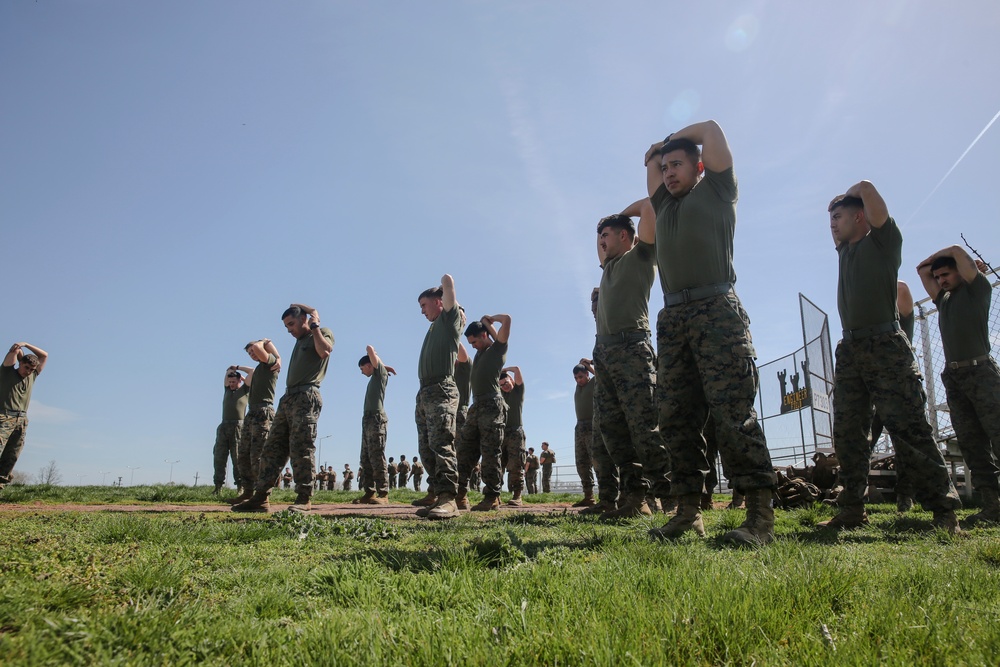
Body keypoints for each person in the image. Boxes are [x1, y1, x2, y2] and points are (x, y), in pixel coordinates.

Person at [644, 122, 776, 545]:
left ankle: (759, 516)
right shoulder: (663, 205)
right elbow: (649, 159)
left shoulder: (718, 190)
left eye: (677, 164)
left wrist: (669, 139)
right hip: (673, 319)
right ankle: (688, 512)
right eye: (665, 168)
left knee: (732, 415)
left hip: (716, 311)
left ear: (699, 166)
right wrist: (659, 152)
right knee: (675, 419)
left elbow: (712, 129)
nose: (667, 172)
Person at [820, 182, 960, 532]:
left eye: (838, 217)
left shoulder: (883, 243)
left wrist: (855, 190)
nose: (833, 225)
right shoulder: (844, 251)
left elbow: (869, 193)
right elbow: (843, 229)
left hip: (885, 343)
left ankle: (944, 512)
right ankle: (851, 509)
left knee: (910, 427)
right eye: (830, 219)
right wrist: (838, 206)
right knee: (849, 432)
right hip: (850, 349)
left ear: (859, 216)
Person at [591, 204, 672, 520]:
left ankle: (672, 500)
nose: (600, 243)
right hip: (605, 354)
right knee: (614, 430)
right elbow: (602, 245)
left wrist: (621, 213)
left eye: (606, 236)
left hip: (632, 349)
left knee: (645, 428)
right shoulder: (609, 267)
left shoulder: (640, 257)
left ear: (625, 236)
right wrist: (603, 226)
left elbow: (651, 207)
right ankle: (635, 499)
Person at [918, 245, 999, 526]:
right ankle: (992, 506)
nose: (941, 280)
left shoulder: (978, 290)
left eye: (946, 274)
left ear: (961, 272)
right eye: (938, 276)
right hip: (954, 378)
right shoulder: (944, 300)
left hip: (981, 374)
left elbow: (955, 249)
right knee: (972, 444)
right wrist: (938, 266)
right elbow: (921, 270)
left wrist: (963, 263)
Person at [233, 303, 334, 513]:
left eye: (292, 324)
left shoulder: (320, 333)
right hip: (288, 398)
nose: (289, 330)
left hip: (307, 396)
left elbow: (325, 351)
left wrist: (315, 325)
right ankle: (261, 498)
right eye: (286, 326)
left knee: (301, 446)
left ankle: (304, 497)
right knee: (272, 448)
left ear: (304, 320)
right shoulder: (299, 341)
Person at [413, 276, 464, 519]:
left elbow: (448, 283)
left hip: (441, 388)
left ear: (438, 302)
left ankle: (449, 500)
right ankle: (436, 495)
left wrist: (444, 285)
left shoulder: (449, 320)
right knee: (427, 448)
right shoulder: (434, 326)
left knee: (442, 444)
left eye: (424, 305)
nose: (422, 311)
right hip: (425, 392)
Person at [868, 281, 916, 511]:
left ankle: (905, 496)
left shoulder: (899, 321)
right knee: (861, 440)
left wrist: (878, 278)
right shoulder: (865, 325)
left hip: (899, 389)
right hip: (872, 390)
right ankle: (851, 494)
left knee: (905, 443)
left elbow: (902, 289)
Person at [456, 315, 511, 511]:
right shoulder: (479, 353)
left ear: (485, 335)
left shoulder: (497, 350)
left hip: (492, 404)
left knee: (490, 452)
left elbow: (507, 321)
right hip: (476, 406)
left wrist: (489, 320)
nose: (473, 346)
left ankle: (492, 497)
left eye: (475, 341)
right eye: (470, 343)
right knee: (464, 451)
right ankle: (460, 495)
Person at [230, 339, 281, 505]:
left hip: (263, 412)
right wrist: (238, 368)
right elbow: (248, 381)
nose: (252, 354)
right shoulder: (259, 369)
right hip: (251, 413)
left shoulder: (270, 362)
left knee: (258, 456)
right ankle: (248, 491)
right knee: (243, 454)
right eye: (249, 353)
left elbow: (261, 348)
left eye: (253, 351)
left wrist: (264, 341)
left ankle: (262, 496)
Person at [0, 342, 48, 491]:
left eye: (31, 369)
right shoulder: (7, 372)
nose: (28, 371)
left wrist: (27, 344)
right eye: (26, 367)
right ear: (20, 363)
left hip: (21, 420)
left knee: (13, 453)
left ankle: (0, 481)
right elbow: (13, 354)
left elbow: (44, 355)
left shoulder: (32, 376)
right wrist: (18, 348)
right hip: (4, 416)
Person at [354, 345, 396, 504]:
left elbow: (369, 349)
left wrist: (379, 362)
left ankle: (383, 494)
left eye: (362, 368)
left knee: (377, 456)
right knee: (365, 457)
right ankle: (369, 492)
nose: (361, 372)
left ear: (369, 365)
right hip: (367, 419)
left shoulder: (380, 374)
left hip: (377, 419)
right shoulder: (375, 376)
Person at [214, 367, 249, 494]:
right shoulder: (227, 390)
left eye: (234, 382)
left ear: (239, 380)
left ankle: (241, 487)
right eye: (230, 382)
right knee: (219, 457)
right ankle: (218, 486)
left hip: (238, 427)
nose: (231, 384)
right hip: (224, 426)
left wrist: (239, 370)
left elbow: (252, 375)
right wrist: (231, 369)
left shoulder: (245, 390)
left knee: (238, 458)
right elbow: (227, 372)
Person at [500, 365, 528, 506]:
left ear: (510, 380)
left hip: (516, 432)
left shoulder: (517, 391)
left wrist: (504, 369)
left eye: (506, 383)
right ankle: (495, 495)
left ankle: (517, 496)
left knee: (516, 464)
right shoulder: (500, 395)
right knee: (498, 464)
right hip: (501, 432)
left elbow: (517, 369)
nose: (504, 386)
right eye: (501, 385)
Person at [572, 360, 597, 507]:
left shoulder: (594, 382)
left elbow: (599, 374)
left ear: (587, 374)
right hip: (580, 426)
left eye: (581, 377)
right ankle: (589, 496)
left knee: (597, 461)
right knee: (581, 463)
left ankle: (610, 497)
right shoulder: (578, 387)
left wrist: (588, 364)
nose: (578, 380)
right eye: (576, 378)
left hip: (592, 424)